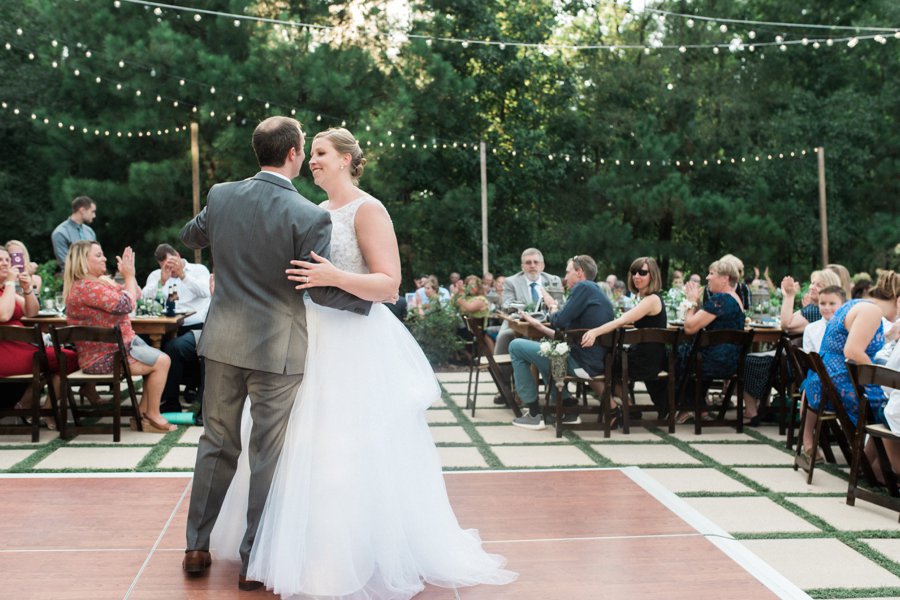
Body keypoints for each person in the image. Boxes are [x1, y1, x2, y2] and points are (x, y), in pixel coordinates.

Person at [207, 127, 516, 597]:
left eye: (322, 153)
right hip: (302, 336)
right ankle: (283, 547)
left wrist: (334, 274)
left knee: (343, 447)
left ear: (349, 159)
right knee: (286, 443)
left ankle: (340, 554)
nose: (312, 160)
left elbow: (389, 286)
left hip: (353, 342)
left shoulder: (368, 210)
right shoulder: (312, 212)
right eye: (310, 154)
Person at [178, 117, 373, 590]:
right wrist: (368, 302)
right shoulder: (309, 215)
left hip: (222, 341)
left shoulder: (222, 195)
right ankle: (252, 561)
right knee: (267, 453)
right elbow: (319, 290)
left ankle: (196, 547)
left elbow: (190, 237)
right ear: (293, 154)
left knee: (216, 443)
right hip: (278, 350)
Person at [63, 240, 175, 433]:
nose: (104, 258)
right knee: (162, 362)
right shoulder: (87, 288)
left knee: (159, 361)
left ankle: (142, 416)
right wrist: (129, 277)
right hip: (104, 357)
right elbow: (126, 305)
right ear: (82, 261)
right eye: (98, 255)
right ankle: (152, 415)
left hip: (118, 349)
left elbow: (135, 294)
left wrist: (126, 278)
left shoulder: (97, 283)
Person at [803, 270, 900, 482]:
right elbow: (853, 351)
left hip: (827, 378)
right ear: (897, 300)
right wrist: (881, 377)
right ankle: (879, 469)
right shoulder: (871, 312)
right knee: (887, 405)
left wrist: (889, 337)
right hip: (839, 382)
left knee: (886, 403)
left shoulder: (860, 304)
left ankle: (867, 467)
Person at [510, 255, 615, 430]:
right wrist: (539, 325)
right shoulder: (595, 291)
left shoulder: (584, 286)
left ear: (579, 272)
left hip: (581, 363)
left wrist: (552, 306)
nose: (565, 278)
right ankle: (569, 411)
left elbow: (559, 320)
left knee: (515, 346)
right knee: (545, 356)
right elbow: (564, 330)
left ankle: (534, 413)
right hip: (594, 362)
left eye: (568, 272)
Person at [582, 257, 669, 418]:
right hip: (648, 356)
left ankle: (621, 408)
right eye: (634, 272)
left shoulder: (651, 300)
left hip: (647, 361)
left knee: (598, 362)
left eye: (642, 272)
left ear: (653, 275)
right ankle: (629, 407)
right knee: (607, 360)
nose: (637, 276)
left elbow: (621, 321)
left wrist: (594, 332)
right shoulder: (647, 299)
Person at [0, 244, 78, 421]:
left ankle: (40, 406)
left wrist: (27, 289)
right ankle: (39, 409)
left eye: (7, 259)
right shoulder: (7, 288)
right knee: (66, 358)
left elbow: (32, 312)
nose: (5, 263)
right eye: (0, 260)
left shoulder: (5, 289)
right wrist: (12, 282)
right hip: (5, 353)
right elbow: (3, 315)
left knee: (68, 357)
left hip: (19, 348)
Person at [141, 243, 212, 414]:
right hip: (168, 326)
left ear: (178, 256)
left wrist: (182, 276)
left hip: (197, 326)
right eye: (165, 266)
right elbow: (143, 298)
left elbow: (206, 292)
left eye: (172, 264)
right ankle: (160, 397)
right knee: (148, 344)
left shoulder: (198, 270)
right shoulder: (157, 275)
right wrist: (162, 281)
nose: (170, 269)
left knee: (174, 347)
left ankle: (172, 400)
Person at [675, 259, 746, 423]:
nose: (707, 278)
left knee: (674, 353)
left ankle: (686, 406)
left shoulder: (720, 299)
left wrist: (692, 301)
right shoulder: (735, 299)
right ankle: (697, 406)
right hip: (731, 361)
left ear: (725, 279)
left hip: (712, 361)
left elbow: (689, 327)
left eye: (711, 274)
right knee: (686, 351)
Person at [793, 285, 846, 468]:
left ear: (843, 305)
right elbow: (810, 359)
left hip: (840, 377)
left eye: (833, 303)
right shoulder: (812, 328)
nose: (827, 307)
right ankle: (808, 440)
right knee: (812, 386)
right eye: (823, 303)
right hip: (816, 374)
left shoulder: (847, 327)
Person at [779, 269, 842, 334]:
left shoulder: (816, 310)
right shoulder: (814, 307)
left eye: (819, 285)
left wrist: (789, 295)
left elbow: (786, 325)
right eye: (812, 283)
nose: (812, 287)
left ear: (829, 290)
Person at [51, 196, 97, 268]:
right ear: (82, 210)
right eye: (92, 211)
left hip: (92, 277)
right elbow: (65, 263)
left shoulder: (90, 232)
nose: (94, 215)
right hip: (72, 278)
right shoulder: (60, 233)